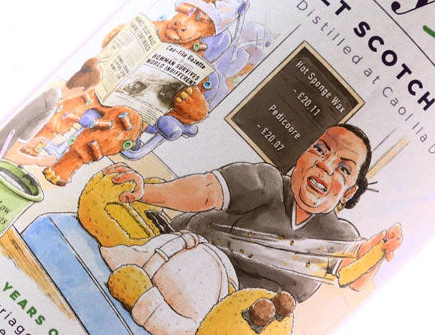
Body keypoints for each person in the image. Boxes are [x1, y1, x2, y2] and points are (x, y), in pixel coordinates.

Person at [101, 124, 403, 302]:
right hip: (174, 259)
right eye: (320, 150)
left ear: (348, 192)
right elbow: (206, 190)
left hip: (228, 316)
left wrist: (379, 251)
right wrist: (145, 192)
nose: (325, 164)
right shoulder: (265, 183)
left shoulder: (339, 237)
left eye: (343, 169)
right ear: (303, 155)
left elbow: (354, 277)